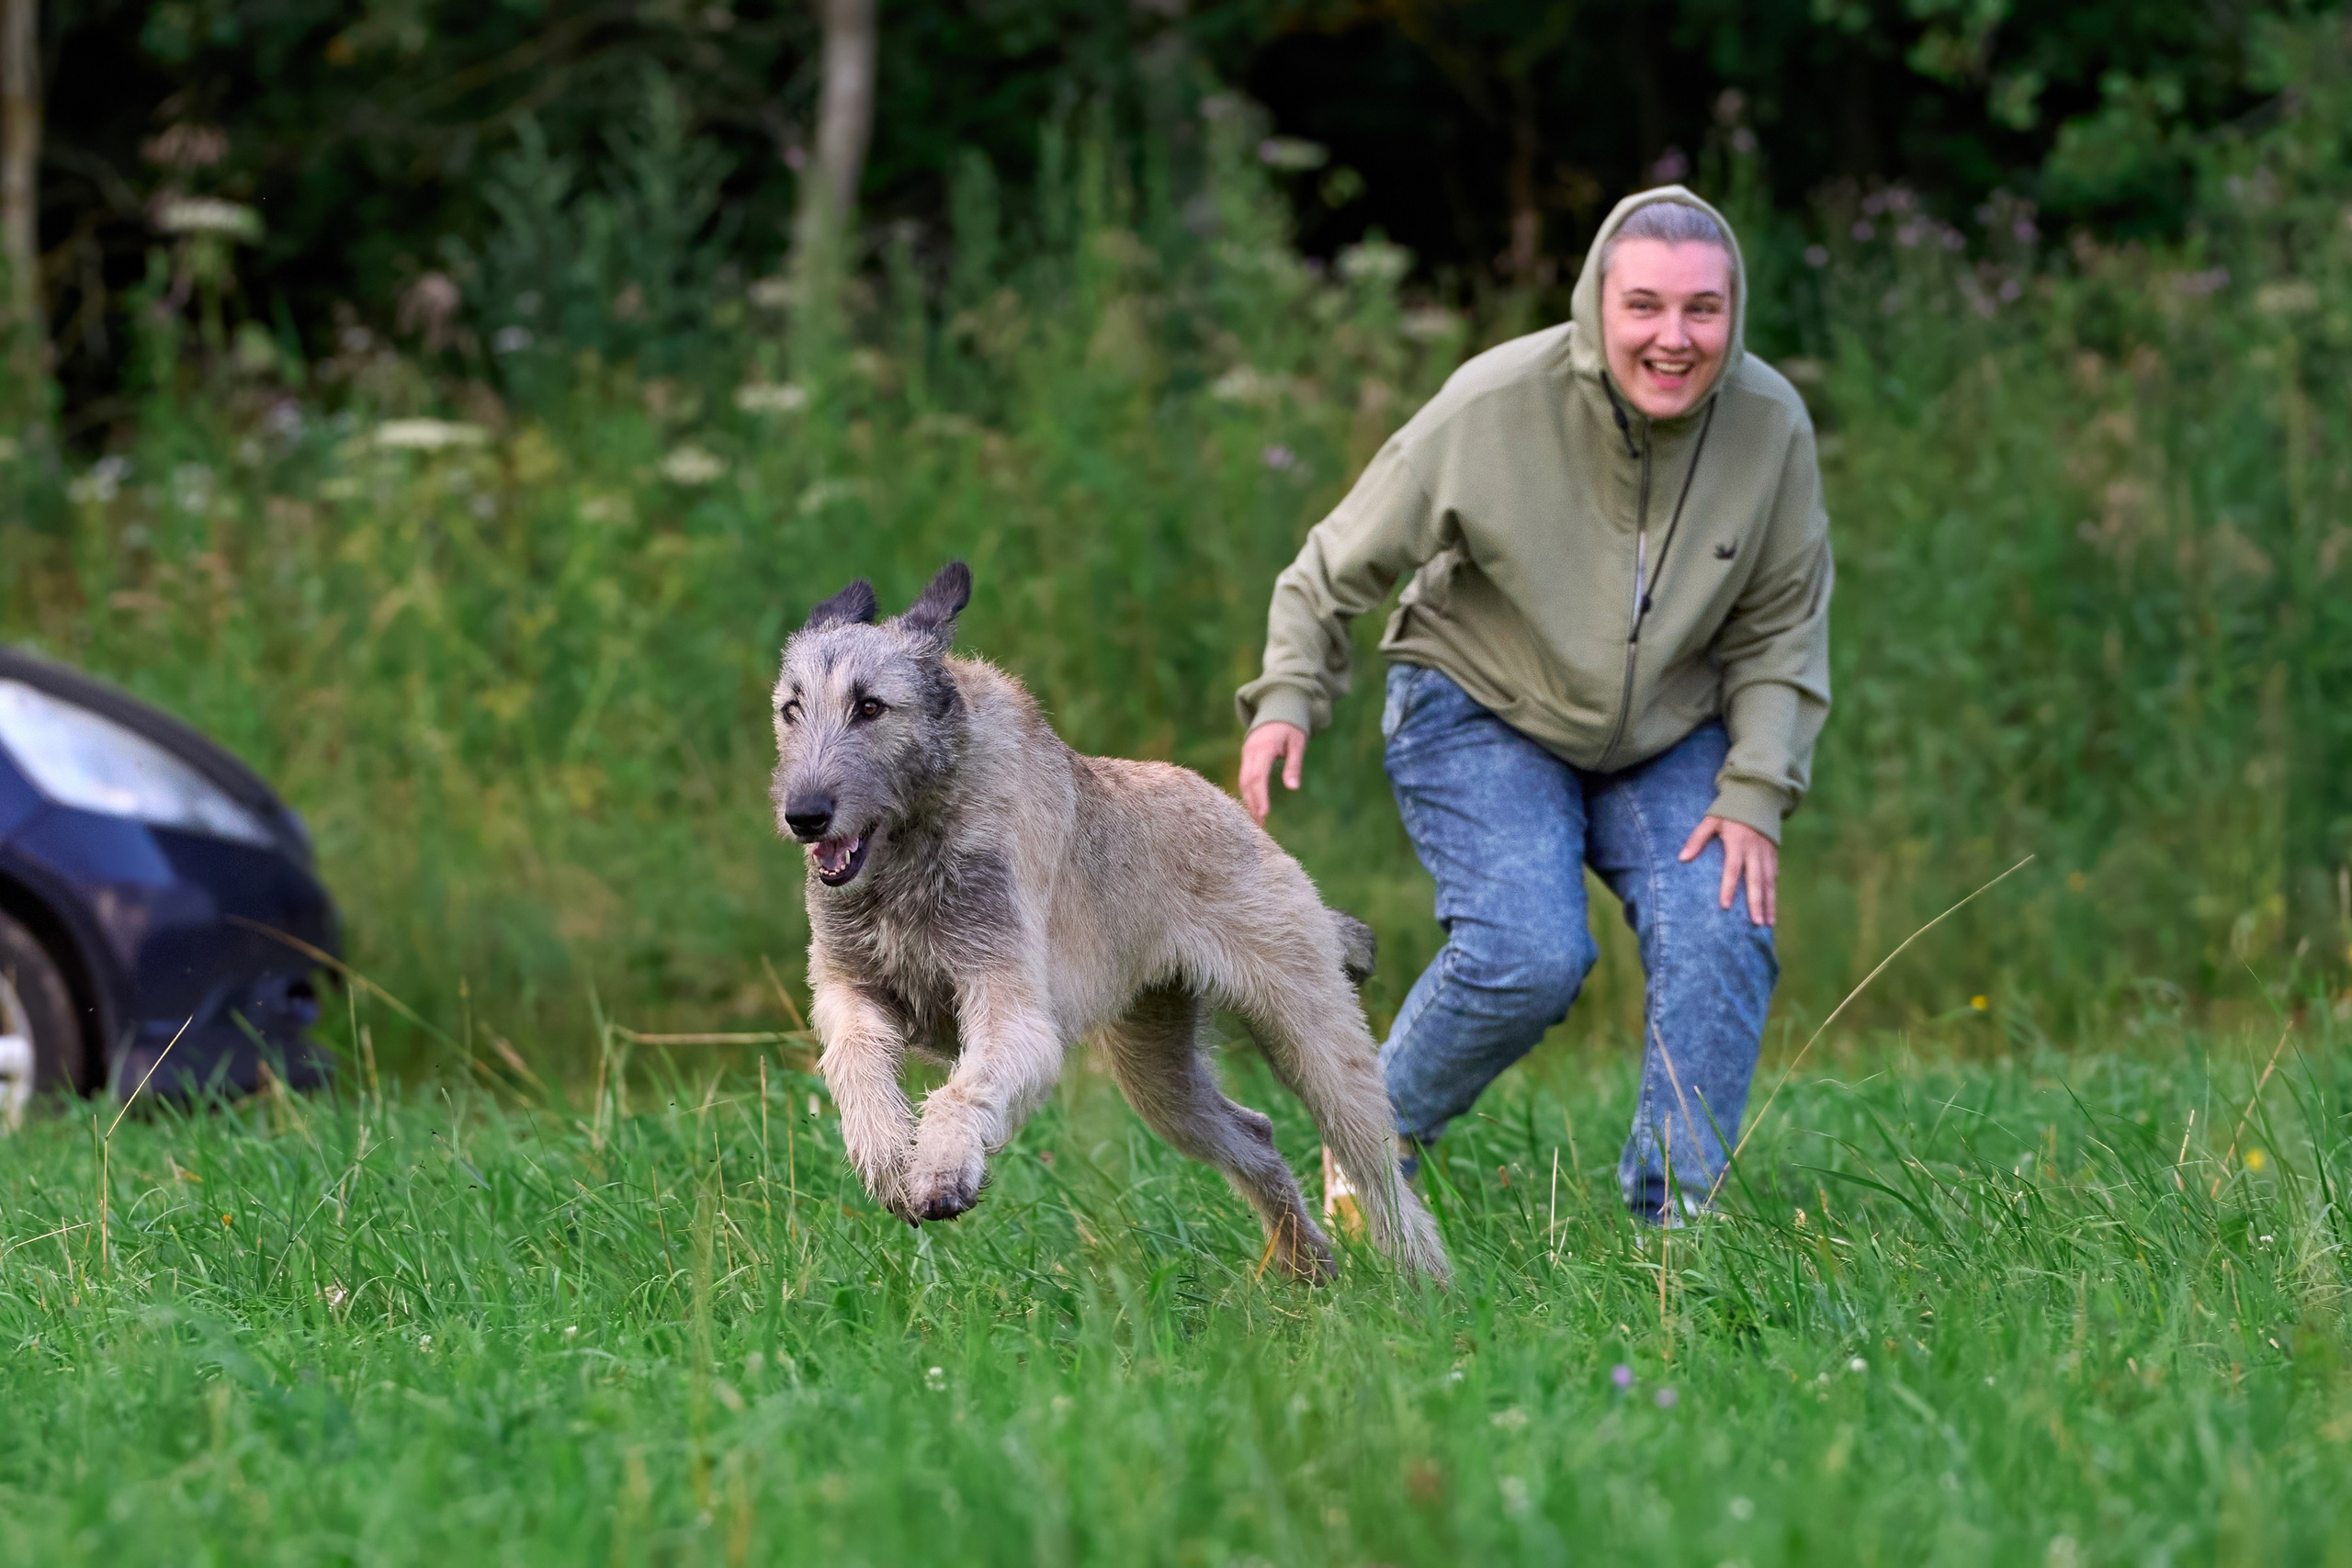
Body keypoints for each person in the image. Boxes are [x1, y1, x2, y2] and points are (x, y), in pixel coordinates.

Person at [1236, 186, 1832, 1224]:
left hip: (1666, 733)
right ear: (1596, 303)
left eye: (1703, 310)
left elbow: (1781, 627)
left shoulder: (1770, 425)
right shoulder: (1494, 403)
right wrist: (1290, 694)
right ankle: (1367, 1145)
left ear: (1733, 315)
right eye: (1644, 306)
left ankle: (1674, 1224)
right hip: (1479, 703)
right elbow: (1330, 567)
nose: (1673, 337)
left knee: (1723, 923)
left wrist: (1754, 790)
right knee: (1528, 953)